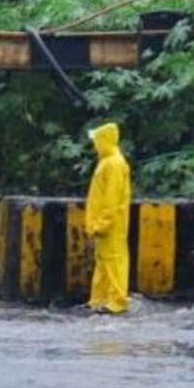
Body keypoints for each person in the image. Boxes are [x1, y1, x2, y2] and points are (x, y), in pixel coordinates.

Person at [84, 122, 132, 314]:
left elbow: (111, 200)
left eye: (96, 140)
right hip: (103, 224)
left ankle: (117, 302)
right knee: (104, 262)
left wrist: (101, 224)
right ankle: (99, 299)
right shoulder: (107, 162)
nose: (94, 144)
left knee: (114, 261)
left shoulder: (114, 164)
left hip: (110, 224)